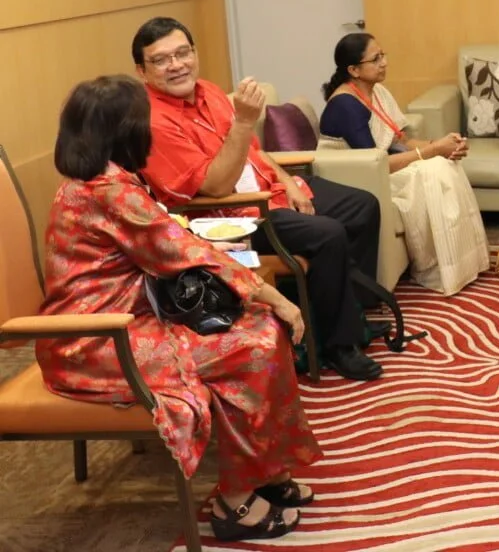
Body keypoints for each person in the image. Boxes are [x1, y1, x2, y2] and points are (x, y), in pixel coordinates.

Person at [38, 76, 320, 541]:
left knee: (259, 330)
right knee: (253, 344)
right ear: (127, 130)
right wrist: (280, 298)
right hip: (95, 339)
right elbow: (184, 252)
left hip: (124, 317)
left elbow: (168, 244)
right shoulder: (108, 191)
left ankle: (264, 472)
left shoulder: (102, 181)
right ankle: (235, 502)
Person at [132, 16, 382, 382]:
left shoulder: (209, 91)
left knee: (363, 206)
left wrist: (288, 182)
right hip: (233, 216)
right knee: (327, 234)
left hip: (270, 190)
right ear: (142, 71)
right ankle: (336, 344)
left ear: (195, 53)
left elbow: (254, 151)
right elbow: (216, 187)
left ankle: (349, 316)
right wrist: (244, 121)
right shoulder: (152, 122)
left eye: (183, 53)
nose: (176, 65)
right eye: (161, 59)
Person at [319, 33, 489, 295]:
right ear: (353, 70)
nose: (384, 62)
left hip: (381, 169)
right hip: (358, 182)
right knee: (434, 170)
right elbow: (374, 165)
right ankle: (436, 268)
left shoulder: (378, 92)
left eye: (383, 55)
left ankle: (464, 263)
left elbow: (402, 140)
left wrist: (441, 145)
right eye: (375, 59)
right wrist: (433, 151)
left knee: (444, 164)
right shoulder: (345, 105)